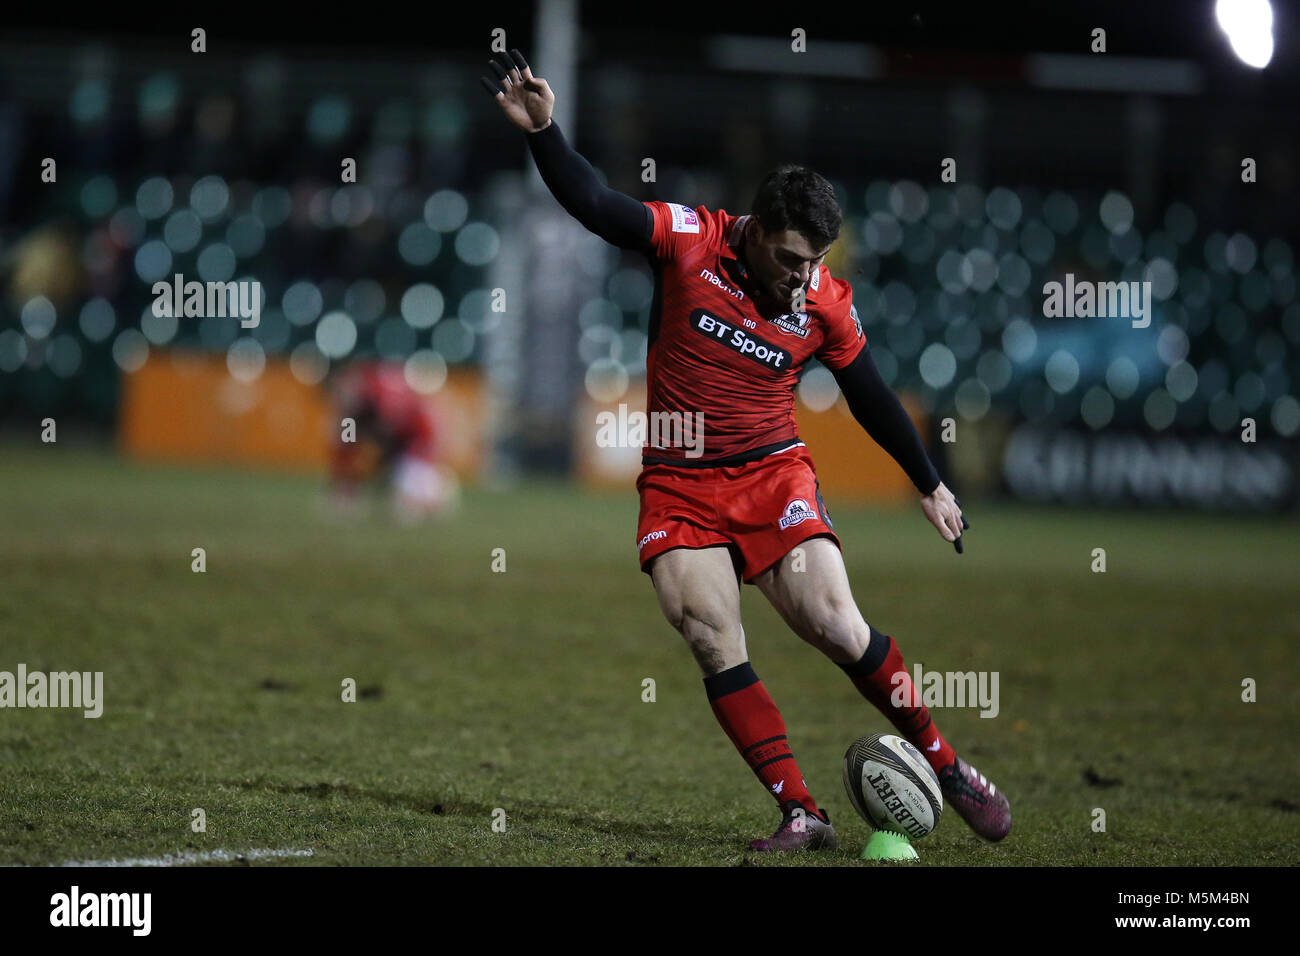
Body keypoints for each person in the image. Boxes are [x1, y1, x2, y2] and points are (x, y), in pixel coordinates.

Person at [483, 50, 1009, 851]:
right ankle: (802, 811)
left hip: (772, 476)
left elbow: (868, 392)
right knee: (707, 633)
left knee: (836, 625)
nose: (803, 279)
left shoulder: (825, 302)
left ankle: (946, 765)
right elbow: (595, 204)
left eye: (816, 263)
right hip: (679, 483)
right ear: (758, 232)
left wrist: (928, 482)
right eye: (792, 259)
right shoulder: (691, 240)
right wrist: (546, 132)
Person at [327, 359, 458, 523]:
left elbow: (396, 428)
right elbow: (346, 442)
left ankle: (427, 496)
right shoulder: (355, 411)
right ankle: (348, 493)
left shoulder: (380, 394)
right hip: (397, 448)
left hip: (411, 452)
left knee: (412, 500)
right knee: (351, 453)